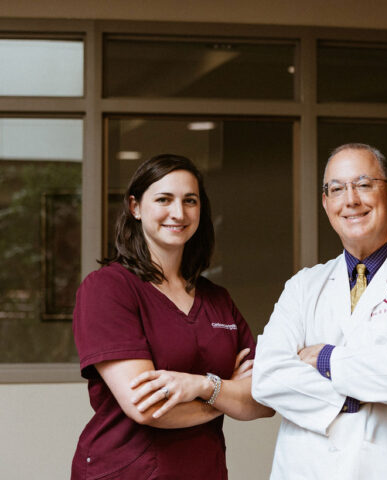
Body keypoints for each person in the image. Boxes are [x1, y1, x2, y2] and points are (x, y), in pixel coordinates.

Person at [252, 143, 387, 479]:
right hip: (306, 468)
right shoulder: (303, 286)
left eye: (364, 185)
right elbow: (266, 375)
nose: (350, 200)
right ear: (326, 203)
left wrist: (325, 359)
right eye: (336, 189)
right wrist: (355, 398)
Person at [71, 153, 273, 480]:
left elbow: (264, 399)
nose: (178, 213)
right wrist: (226, 393)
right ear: (135, 207)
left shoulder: (216, 299)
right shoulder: (108, 289)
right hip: (125, 472)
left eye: (189, 201)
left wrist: (203, 386)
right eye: (164, 199)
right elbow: (146, 407)